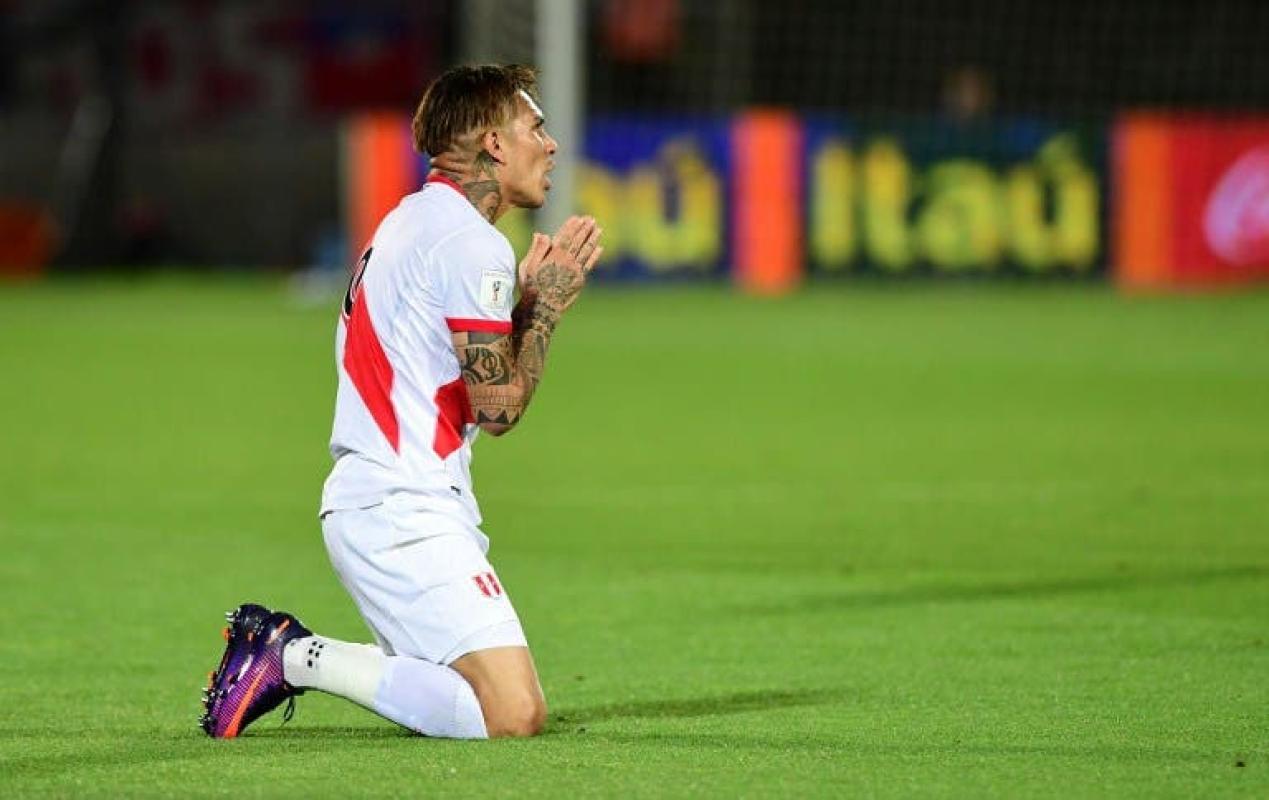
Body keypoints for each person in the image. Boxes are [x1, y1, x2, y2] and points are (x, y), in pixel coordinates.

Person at [200, 64, 604, 740]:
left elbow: (451, 377)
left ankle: (289, 655)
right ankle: (290, 654)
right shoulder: (469, 243)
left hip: (382, 501)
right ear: (494, 144)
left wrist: (525, 304)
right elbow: (498, 409)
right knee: (511, 713)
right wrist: (547, 309)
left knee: (470, 696)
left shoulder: (410, 221)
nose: (550, 143)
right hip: (401, 509)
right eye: (534, 127)